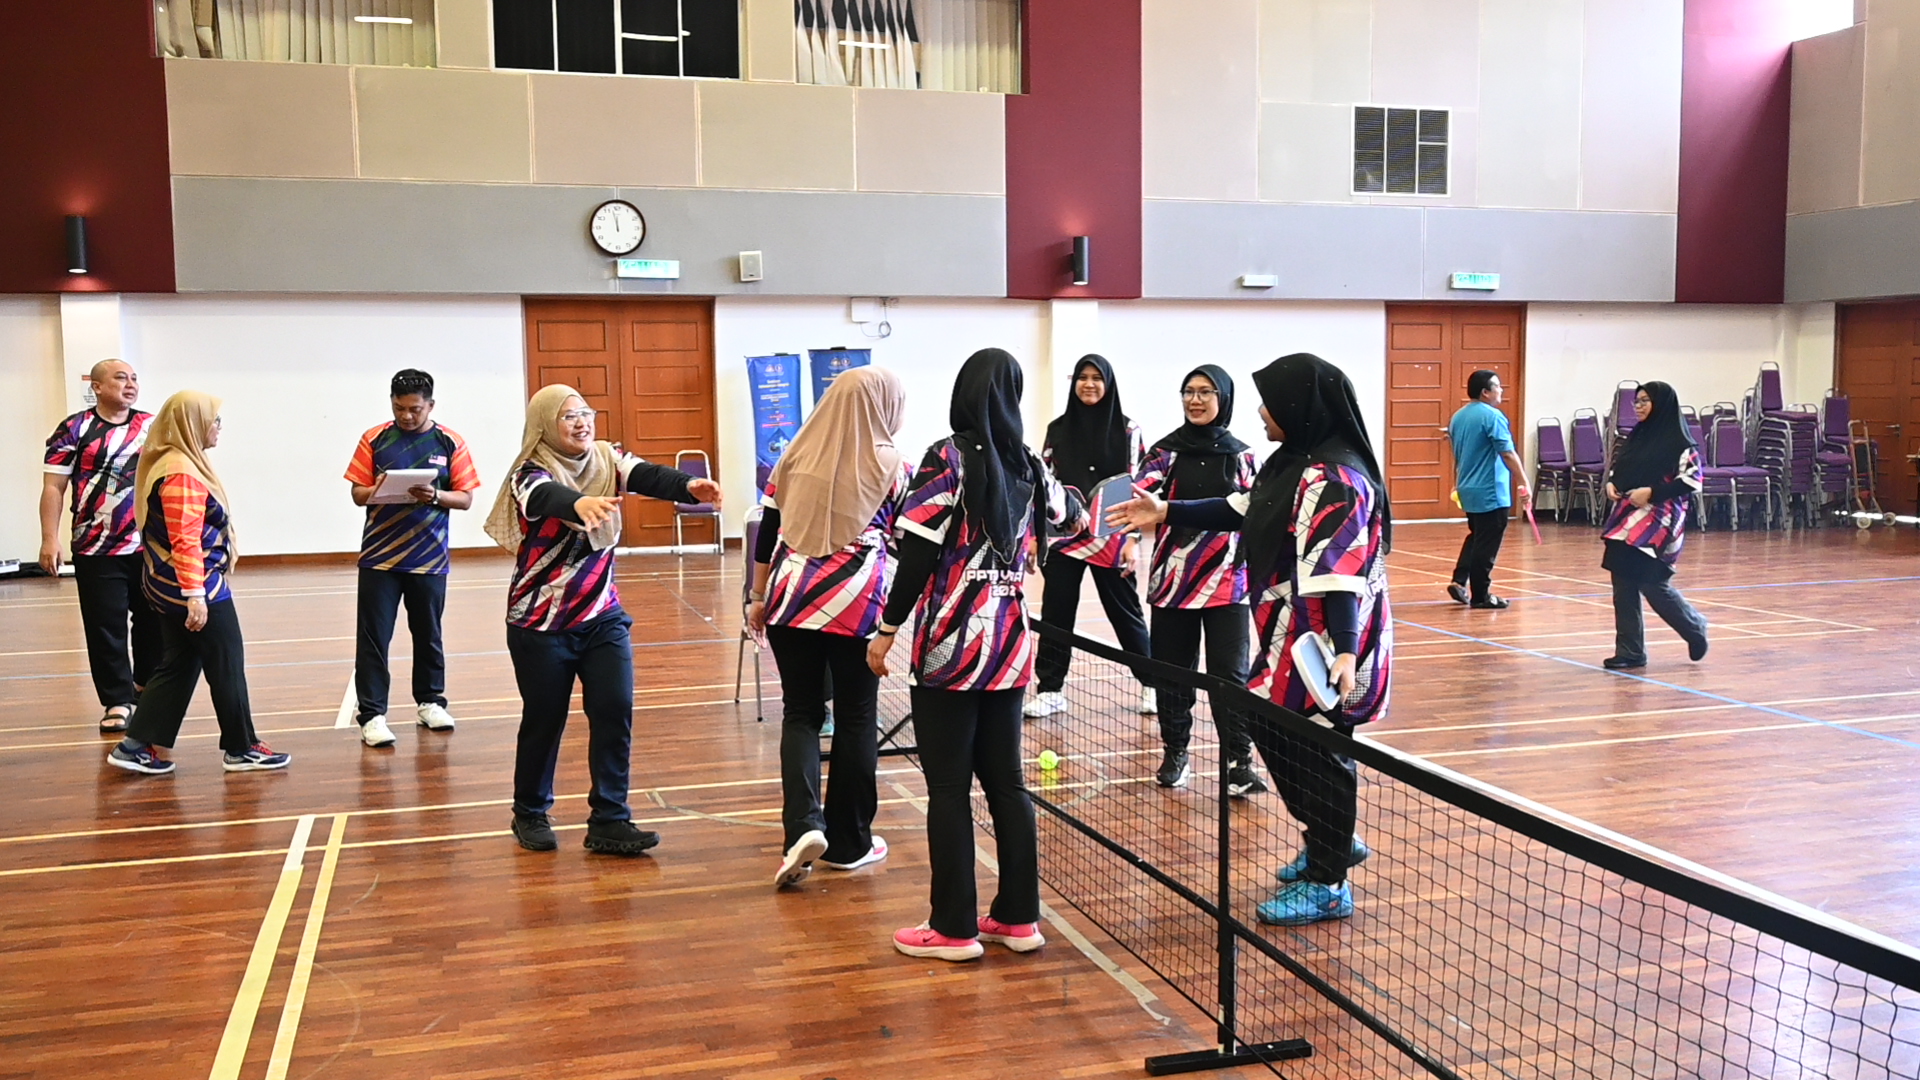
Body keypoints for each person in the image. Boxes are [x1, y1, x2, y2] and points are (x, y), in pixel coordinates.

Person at [1110, 353, 1391, 927]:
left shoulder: (1331, 476)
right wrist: (1166, 509)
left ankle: (1330, 878)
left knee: (1321, 749)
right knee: (1270, 727)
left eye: (1269, 401)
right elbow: (1240, 507)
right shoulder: (1292, 462)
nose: (1260, 411)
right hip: (1288, 627)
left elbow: (1337, 572)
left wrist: (1341, 650)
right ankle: (1327, 837)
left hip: (1329, 638)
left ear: (1297, 406)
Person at [869, 348, 1087, 962]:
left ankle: (954, 928)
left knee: (946, 789)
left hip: (950, 649)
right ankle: (1019, 920)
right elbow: (1071, 520)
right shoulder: (1032, 467)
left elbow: (915, 554)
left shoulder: (948, 456)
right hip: (1012, 647)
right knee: (1007, 784)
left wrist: (886, 630)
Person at [484, 385, 722, 856]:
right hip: (540, 621)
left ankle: (610, 819)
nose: (581, 423)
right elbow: (546, 496)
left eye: (585, 413)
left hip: (601, 615)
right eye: (568, 416)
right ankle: (529, 811)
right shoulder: (528, 473)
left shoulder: (607, 458)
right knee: (545, 719)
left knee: (614, 711)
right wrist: (578, 504)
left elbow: (646, 474)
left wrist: (687, 486)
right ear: (545, 424)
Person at [746, 366, 908, 888]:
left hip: (791, 599)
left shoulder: (791, 457)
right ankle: (851, 843)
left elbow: (768, 533)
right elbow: (911, 540)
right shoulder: (894, 466)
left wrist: (756, 596)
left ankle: (802, 827)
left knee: (800, 713)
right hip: (857, 605)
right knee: (858, 717)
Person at [107, 391, 289, 775]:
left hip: (168, 582)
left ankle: (134, 745)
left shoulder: (175, 462)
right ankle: (242, 748)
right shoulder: (182, 474)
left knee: (179, 662)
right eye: (214, 419)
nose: (219, 427)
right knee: (226, 661)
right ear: (191, 423)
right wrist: (195, 596)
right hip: (193, 585)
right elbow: (185, 539)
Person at [1134, 366, 1262, 792]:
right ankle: (1176, 751)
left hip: (1229, 583)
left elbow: (1255, 512)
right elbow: (1137, 499)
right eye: (1188, 391)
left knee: (1231, 677)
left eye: (1205, 392)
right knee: (1173, 674)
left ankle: (1238, 763)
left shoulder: (1242, 455)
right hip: (1173, 585)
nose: (1195, 399)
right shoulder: (1163, 453)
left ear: (1223, 397)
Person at [343, 369, 482, 749]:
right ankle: (372, 715)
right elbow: (357, 493)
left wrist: (434, 496)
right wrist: (384, 489)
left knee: (428, 634)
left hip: (429, 558)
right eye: (400, 408)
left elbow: (466, 498)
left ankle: (431, 702)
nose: (407, 416)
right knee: (374, 639)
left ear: (430, 405)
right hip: (380, 558)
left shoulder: (450, 442)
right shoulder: (373, 439)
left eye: (415, 409)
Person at [1026, 354, 1154, 719]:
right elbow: (1044, 484)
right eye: (1082, 377)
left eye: (1097, 378)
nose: (1089, 384)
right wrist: (1037, 535)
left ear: (1109, 384)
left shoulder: (1130, 431)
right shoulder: (1058, 428)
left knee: (1126, 614)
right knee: (1056, 615)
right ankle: (1050, 689)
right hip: (1064, 536)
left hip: (1112, 534)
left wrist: (1133, 540)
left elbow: (1137, 486)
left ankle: (1152, 685)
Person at [40, 359, 160, 734]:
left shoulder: (151, 426)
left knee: (153, 623)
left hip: (148, 545)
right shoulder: (74, 429)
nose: (130, 385)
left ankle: (144, 687)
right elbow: (53, 487)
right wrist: (49, 538)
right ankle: (117, 700)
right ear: (96, 386)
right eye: (120, 378)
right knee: (105, 626)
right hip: (95, 548)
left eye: (134, 378)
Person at [1601, 381, 1709, 670]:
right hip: (1626, 519)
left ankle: (1694, 627)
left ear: (1661, 404)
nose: (1638, 407)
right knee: (1622, 584)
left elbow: (1692, 481)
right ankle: (1630, 650)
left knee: (1652, 583)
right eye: (1636, 401)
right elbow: (1619, 468)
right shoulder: (1634, 437)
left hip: (1659, 522)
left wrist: (1651, 493)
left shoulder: (1682, 444)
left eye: (1645, 401)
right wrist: (1613, 483)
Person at [1445, 370, 1530, 609]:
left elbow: (1459, 455)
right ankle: (1481, 595)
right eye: (1497, 386)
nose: (1501, 390)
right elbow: (1507, 452)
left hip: (1468, 488)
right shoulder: (1492, 416)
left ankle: (1459, 580)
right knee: (1487, 542)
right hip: (1490, 491)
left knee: (1477, 536)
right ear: (1485, 392)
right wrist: (1524, 481)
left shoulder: (1458, 417)